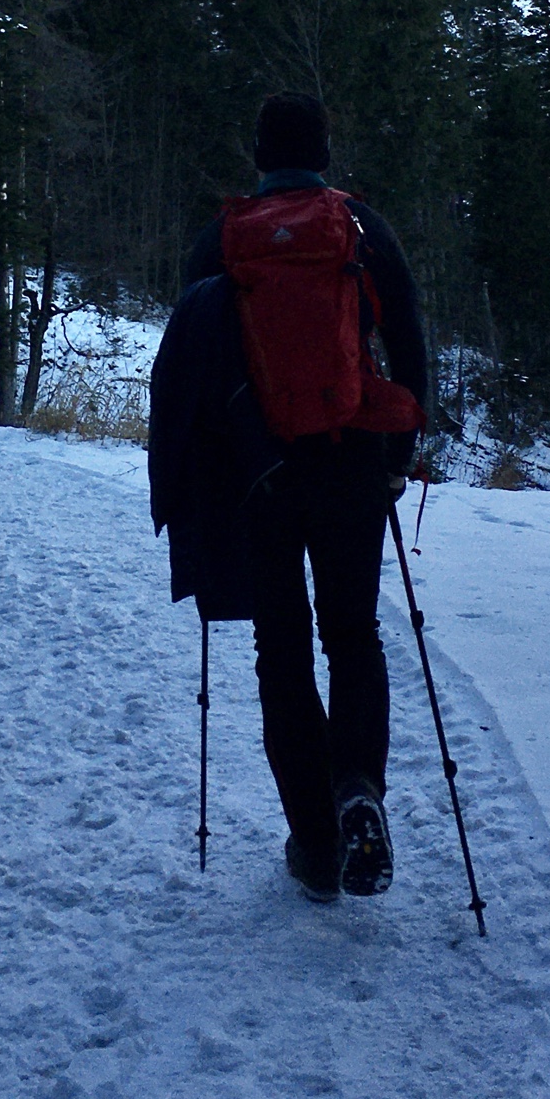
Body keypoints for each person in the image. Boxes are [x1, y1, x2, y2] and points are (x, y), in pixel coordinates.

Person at [175, 93, 427, 903]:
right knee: (354, 636)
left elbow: (194, 366)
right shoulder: (360, 227)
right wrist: (397, 458)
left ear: (259, 154)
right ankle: (358, 791)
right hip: (352, 459)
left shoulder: (222, 238)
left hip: (260, 476)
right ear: (322, 153)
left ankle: (316, 847)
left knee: (281, 650)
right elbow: (411, 342)